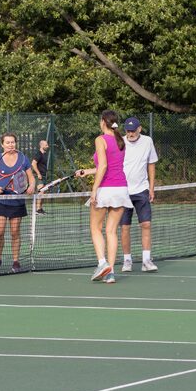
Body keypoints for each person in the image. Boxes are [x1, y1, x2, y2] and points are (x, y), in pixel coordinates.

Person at [73, 110, 130, 284]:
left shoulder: (100, 139)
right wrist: (87, 172)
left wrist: (94, 190)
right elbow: (107, 166)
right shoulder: (121, 141)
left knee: (95, 229)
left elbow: (104, 166)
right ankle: (110, 273)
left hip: (106, 189)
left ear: (103, 122)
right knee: (111, 231)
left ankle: (102, 263)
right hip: (121, 189)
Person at [0, 132, 35, 273]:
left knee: (15, 232)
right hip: (0, 201)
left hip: (17, 200)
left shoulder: (23, 159)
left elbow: (31, 178)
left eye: (13, 142)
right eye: (8, 142)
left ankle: (16, 261)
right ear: (2, 144)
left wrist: (31, 186)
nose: (11, 145)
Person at [118, 116, 159, 273]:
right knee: (125, 228)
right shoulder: (120, 142)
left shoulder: (148, 141)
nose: (130, 133)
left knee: (146, 225)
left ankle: (146, 261)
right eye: (128, 130)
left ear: (139, 129)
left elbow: (151, 164)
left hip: (142, 190)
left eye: (133, 130)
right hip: (123, 191)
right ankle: (127, 261)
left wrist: (152, 188)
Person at [31, 140, 50, 215]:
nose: (47, 146)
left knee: (43, 192)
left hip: (43, 176)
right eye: (46, 145)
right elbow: (33, 163)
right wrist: (38, 173)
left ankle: (40, 208)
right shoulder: (38, 154)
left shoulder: (45, 154)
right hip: (38, 176)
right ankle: (37, 209)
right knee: (41, 191)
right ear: (42, 145)